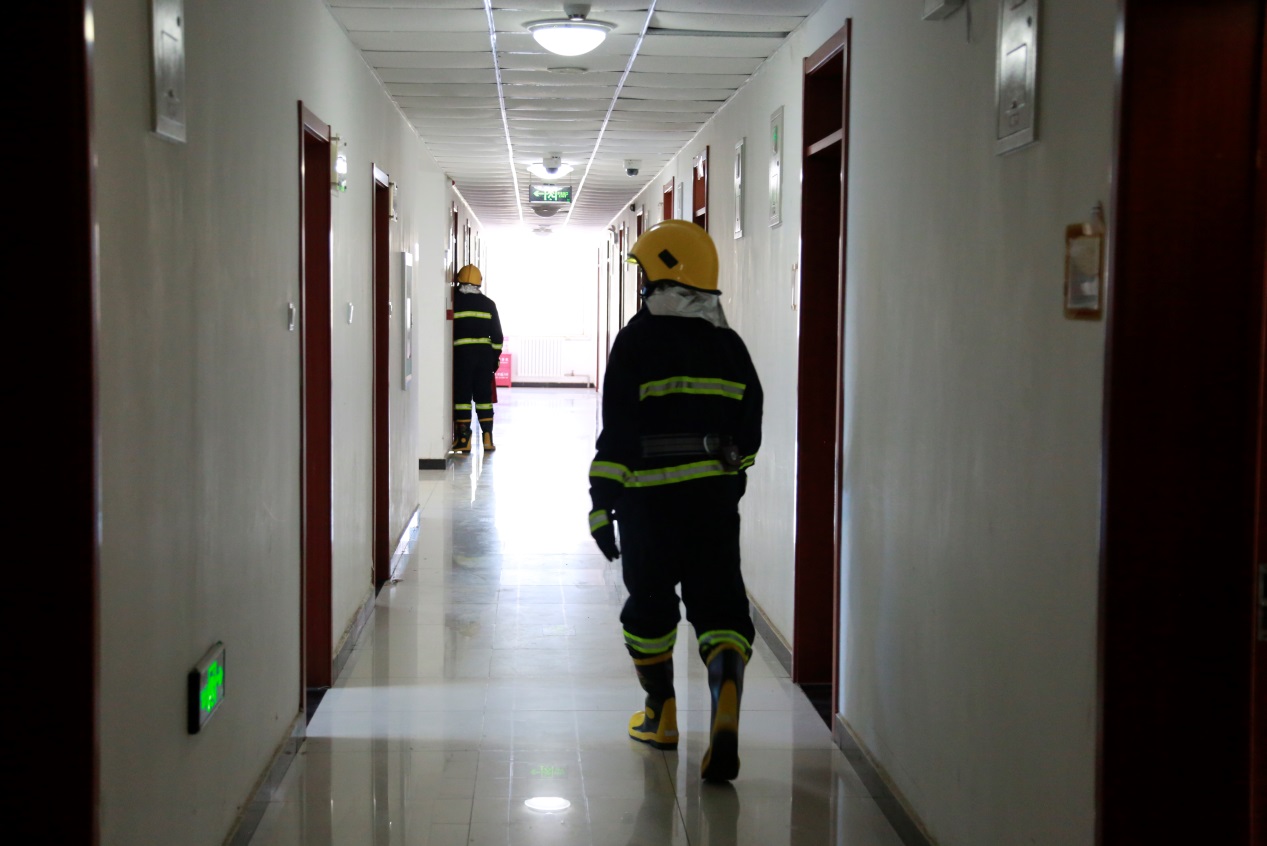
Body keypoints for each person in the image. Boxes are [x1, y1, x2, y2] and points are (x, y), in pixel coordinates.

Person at [587, 219, 763, 782]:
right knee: (721, 605)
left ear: (662, 278)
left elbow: (618, 433)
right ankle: (726, 691)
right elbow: (750, 433)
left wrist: (601, 501)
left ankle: (660, 715)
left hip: (649, 505)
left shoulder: (637, 341)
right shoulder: (730, 347)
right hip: (713, 503)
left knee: (650, 604)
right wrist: (727, 481)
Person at [451, 264, 503, 453]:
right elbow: (497, 337)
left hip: (462, 356)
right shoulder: (489, 304)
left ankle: (464, 439)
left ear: (459, 281)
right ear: (479, 283)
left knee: (462, 396)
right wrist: (494, 359)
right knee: (484, 397)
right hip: (484, 357)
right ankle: (487, 438)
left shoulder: (454, 302)